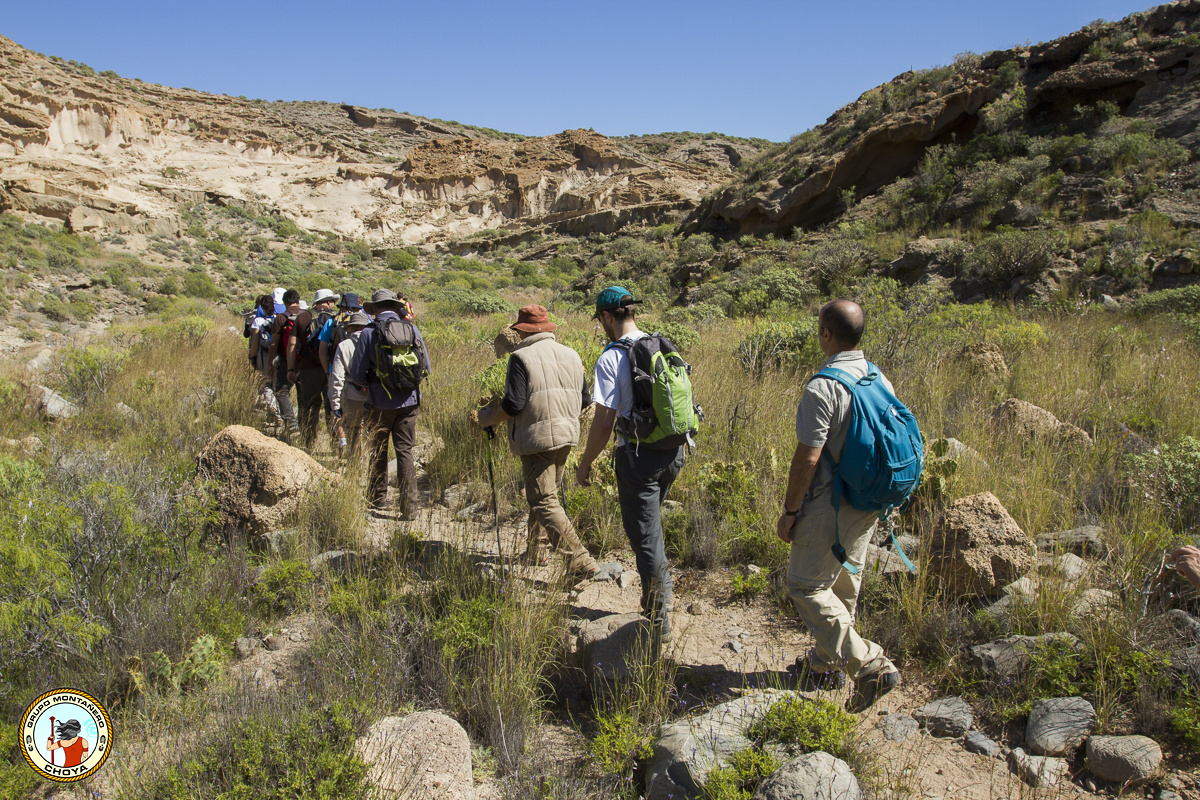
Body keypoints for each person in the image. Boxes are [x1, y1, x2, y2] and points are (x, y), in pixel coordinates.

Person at [777, 299, 902, 712]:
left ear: (827, 334)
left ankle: (868, 665)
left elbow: (808, 458)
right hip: (868, 499)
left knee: (806, 585)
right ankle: (824, 664)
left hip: (829, 503)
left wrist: (791, 511)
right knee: (844, 581)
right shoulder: (877, 375)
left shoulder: (824, 386)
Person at [576, 286, 683, 645]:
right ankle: (659, 600)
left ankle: (658, 619)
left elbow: (604, 421)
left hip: (637, 457)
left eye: (601, 320)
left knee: (646, 538)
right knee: (651, 531)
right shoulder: (660, 344)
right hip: (674, 451)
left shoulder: (610, 358)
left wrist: (586, 462)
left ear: (607, 317)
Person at [472, 306, 598, 579]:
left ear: (521, 331)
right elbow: (586, 400)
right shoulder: (572, 355)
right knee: (546, 494)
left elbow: (513, 404)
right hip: (567, 434)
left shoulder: (520, 357)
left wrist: (488, 419)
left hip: (536, 437)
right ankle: (535, 550)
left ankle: (578, 560)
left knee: (542, 499)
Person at [348, 289, 430, 518]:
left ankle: (378, 498)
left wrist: (372, 385)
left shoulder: (368, 333)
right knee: (405, 452)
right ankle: (410, 508)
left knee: (378, 449)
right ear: (394, 307)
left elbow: (356, 374)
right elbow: (427, 369)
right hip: (410, 402)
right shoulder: (412, 329)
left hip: (379, 402)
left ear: (374, 309)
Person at [287, 289, 339, 449]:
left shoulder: (303, 316)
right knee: (332, 407)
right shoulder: (335, 317)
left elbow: (292, 343)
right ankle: (337, 443)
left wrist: (290, 369)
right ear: (329, 301)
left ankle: (308, 443)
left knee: (308, 406)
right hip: (331, 368)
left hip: (308, 368)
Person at [328, 310, 371, 455]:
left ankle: (354, 462)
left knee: (354, 430)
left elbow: (337, 377)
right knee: (371, 429)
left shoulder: (343, 346)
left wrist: (335, 403)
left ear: (351, 328)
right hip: (373, 393)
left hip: (351, 394)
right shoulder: (374, 343)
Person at [266, 289, 301, 439]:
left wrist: (269, 362)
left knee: (281, 390)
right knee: (304, 394)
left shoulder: (281, 318)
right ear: (298, 301)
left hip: (287, 360)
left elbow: (274, 343)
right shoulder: (307, 315)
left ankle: (291, 422)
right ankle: (306, 426)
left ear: (285, 302)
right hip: (307, 361)